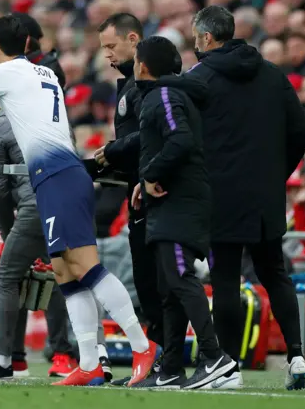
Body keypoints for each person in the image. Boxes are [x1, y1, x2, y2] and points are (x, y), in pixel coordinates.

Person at [0, 15, 156, 387]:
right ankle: (89, 364)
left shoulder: (5, 73)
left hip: (57, 178)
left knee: (85, 268)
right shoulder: (44, 73)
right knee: (65, 275)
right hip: (61, 175)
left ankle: (141, 345)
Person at [185, 5, 305, 390]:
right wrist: (276, 175)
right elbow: (302, 131)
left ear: (208, 38)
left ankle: (229, 367)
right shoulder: (273, 75)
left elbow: (186, 139)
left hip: (221, 195)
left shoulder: (200, 78)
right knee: (275, 272)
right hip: (265, 195)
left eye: (195, 37)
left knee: (225, 279)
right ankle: (296, 355)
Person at [129, 36, 236, 389]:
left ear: (143, 66)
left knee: (178, 279)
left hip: (179, 202)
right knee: (169, 288)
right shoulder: (174, 93)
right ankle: (171, 367)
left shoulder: (162, 95)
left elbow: (180, 140)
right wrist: (145, 180)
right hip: (176, 202)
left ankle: (215, 357)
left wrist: (151, 174)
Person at [94, 13, 165, 386]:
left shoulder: (145, 88)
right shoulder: (129, 86)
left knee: (156, 281)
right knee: (147, 279)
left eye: (111, 45)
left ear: (133, 39)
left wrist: (111, 150)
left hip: (154, 195)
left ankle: (164, 362)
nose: (106, 54)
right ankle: (157, 363)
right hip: (137, 191)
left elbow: (149, 136)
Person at [0, 104, 78, 379]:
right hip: (61, 204)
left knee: (9, 277)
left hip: (28, 208)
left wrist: (7, 228)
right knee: (60, 274)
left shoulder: (0, 124)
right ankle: (75, 356)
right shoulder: (55, 112)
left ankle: (9, 361)